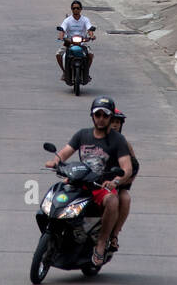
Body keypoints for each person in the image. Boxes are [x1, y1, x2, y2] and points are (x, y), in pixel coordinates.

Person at [44, 96, 132, 268]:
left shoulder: (118, 140)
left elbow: (126, 167)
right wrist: (55, 161)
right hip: (79, 182)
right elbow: (64, 152)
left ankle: (101, 242)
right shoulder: (82, 134)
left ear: (110, 118)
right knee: (56, 194)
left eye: (105, 116)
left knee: (113, 201)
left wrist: (116, 181)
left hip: (101, 186)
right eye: (97, 115)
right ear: (92, 116)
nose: (101, 119)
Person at [108, 108, 139, 252]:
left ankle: (114, 235)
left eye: (117, 123)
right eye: (112, 122)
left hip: (116, 183)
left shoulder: (124, 143)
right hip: (95, 181)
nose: (114, 125)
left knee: (125, 198)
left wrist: (126, 180)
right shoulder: (94, 138)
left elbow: (135, 165)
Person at [56, 0, 96, 83]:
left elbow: (89, 29)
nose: (76, 10)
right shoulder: (67, 20)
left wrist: (92, 36)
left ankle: (86, 72)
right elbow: (62, 29)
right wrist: (61, 36)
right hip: (69, 42)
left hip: (82, 42)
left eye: (77, 8)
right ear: (71, 9)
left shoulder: (85, 19)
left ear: (81, 9)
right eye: (74, 8)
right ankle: (64, 72)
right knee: (58, 54)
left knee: (90, 55)